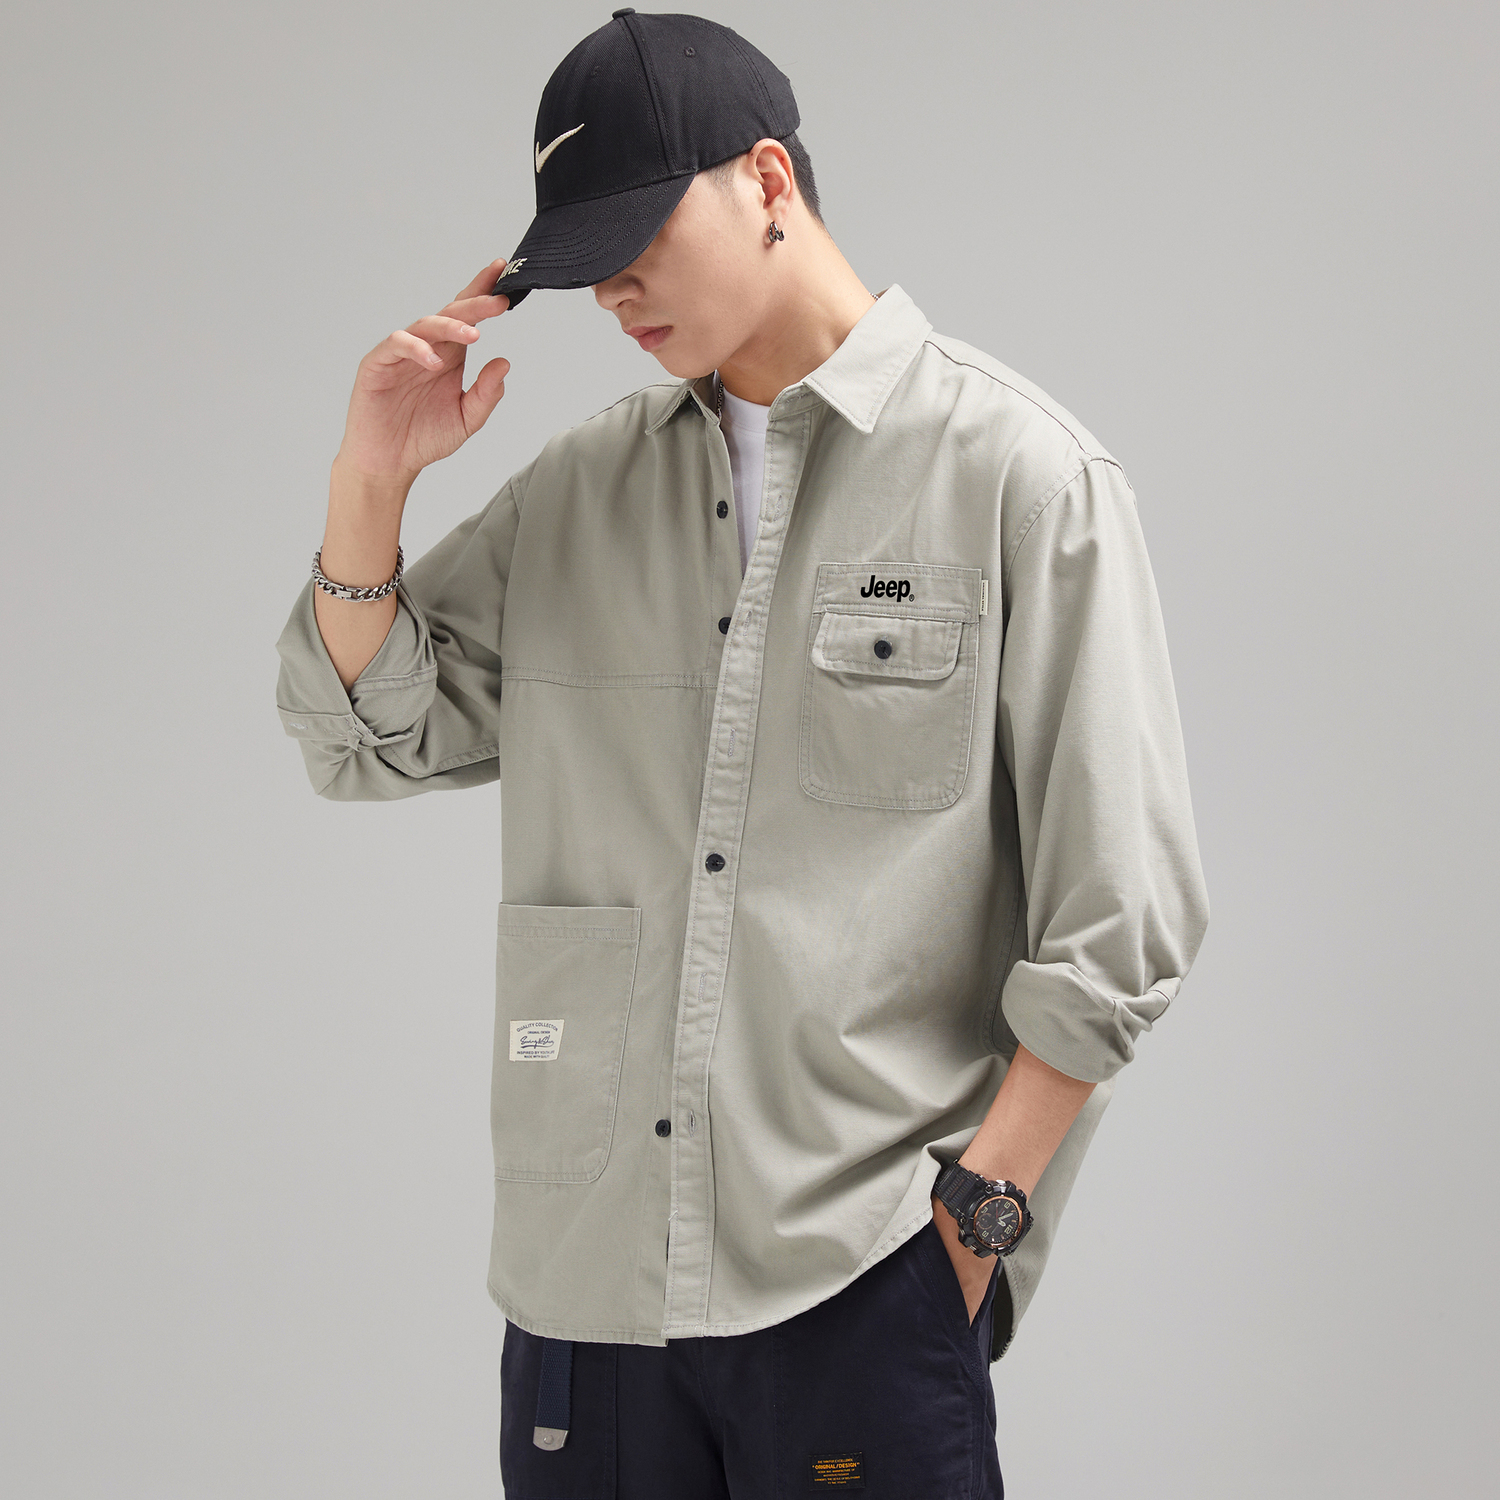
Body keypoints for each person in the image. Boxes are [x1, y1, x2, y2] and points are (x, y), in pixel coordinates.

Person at [274, 9, 1209, 1496]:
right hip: (586, 1294)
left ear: (768, 178)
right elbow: (363, 738)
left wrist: (971, 1234)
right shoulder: (579, 493)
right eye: (583, 260)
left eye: (636, 237)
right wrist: (368, 481)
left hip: (860, 1275)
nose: (611, 288)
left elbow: (1125, 920)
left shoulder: (1021, 478)